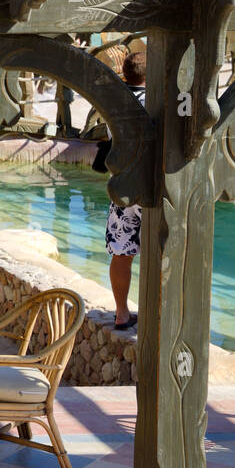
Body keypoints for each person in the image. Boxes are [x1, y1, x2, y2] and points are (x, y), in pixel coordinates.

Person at [99, 51, 146, 329]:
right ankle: (157, 314)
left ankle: (121, 313)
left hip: (123, 186)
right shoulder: (155, 101)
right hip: (152, 187)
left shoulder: (113, 104)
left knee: (121, 252)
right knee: (162, 251)